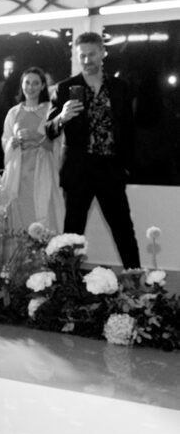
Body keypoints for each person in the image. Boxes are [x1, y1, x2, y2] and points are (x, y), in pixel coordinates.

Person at [45, 31, 140, 268]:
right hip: (78, 171)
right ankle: (67, 288)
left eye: (91, 55)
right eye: (82, 56)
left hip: (111, 170)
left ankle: (136, 283)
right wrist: (63, 117)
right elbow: (49, 130)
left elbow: (129, 130)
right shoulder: (65, 87)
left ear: (103, 53)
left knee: (123, 231)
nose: (87, 60)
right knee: (72, 235)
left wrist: (127, 167)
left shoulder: (119, 88)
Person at [0, 66, 64, 233]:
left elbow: (57, 145)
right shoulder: (13, 113)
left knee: (42, 211)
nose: (31, 87)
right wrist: (11, 144)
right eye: (27, 83)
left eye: (36, 83)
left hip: (42, 170)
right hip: (18, 173)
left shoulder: (51, 110)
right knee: (19, 213)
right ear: (22, 85)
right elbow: (5, 140)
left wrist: (37, 137)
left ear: (43, 86)